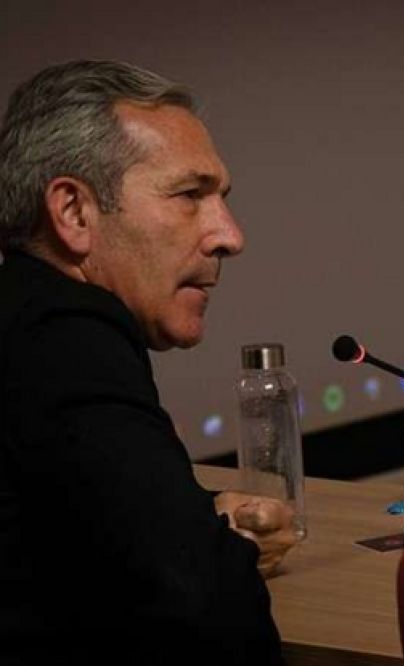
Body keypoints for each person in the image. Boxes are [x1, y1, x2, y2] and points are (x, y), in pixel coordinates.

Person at [0, 60, 296, 664]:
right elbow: (204, 608)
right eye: (190, 195)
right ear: (74, 212)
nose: (229, 235)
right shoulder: (66, 338)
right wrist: (222, 549)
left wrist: (199, 519)